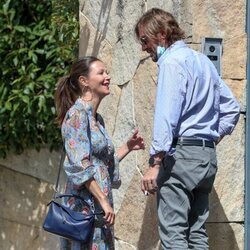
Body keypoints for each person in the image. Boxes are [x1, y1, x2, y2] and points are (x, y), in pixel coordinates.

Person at [134, 8, 240, 250]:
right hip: (206, 158)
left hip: (180, 158)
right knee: (197, 235)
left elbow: (166, 115)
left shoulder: (171, 62)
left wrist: (156, 162)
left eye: (144, 40)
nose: (143, 47)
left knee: (174, 237)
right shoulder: (202, 61)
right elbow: (232, 108)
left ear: (161, 35)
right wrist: (210, 138)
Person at [54, 56, 145, 250]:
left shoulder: (97, 119)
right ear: (84, 81)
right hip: (85, 207)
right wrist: (102, 199)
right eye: (101, 73)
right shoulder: (76, 115)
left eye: (107, 72)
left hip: (97, 207)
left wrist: (127, 147)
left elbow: (100, 164)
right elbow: (80, 165)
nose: (108, 77)